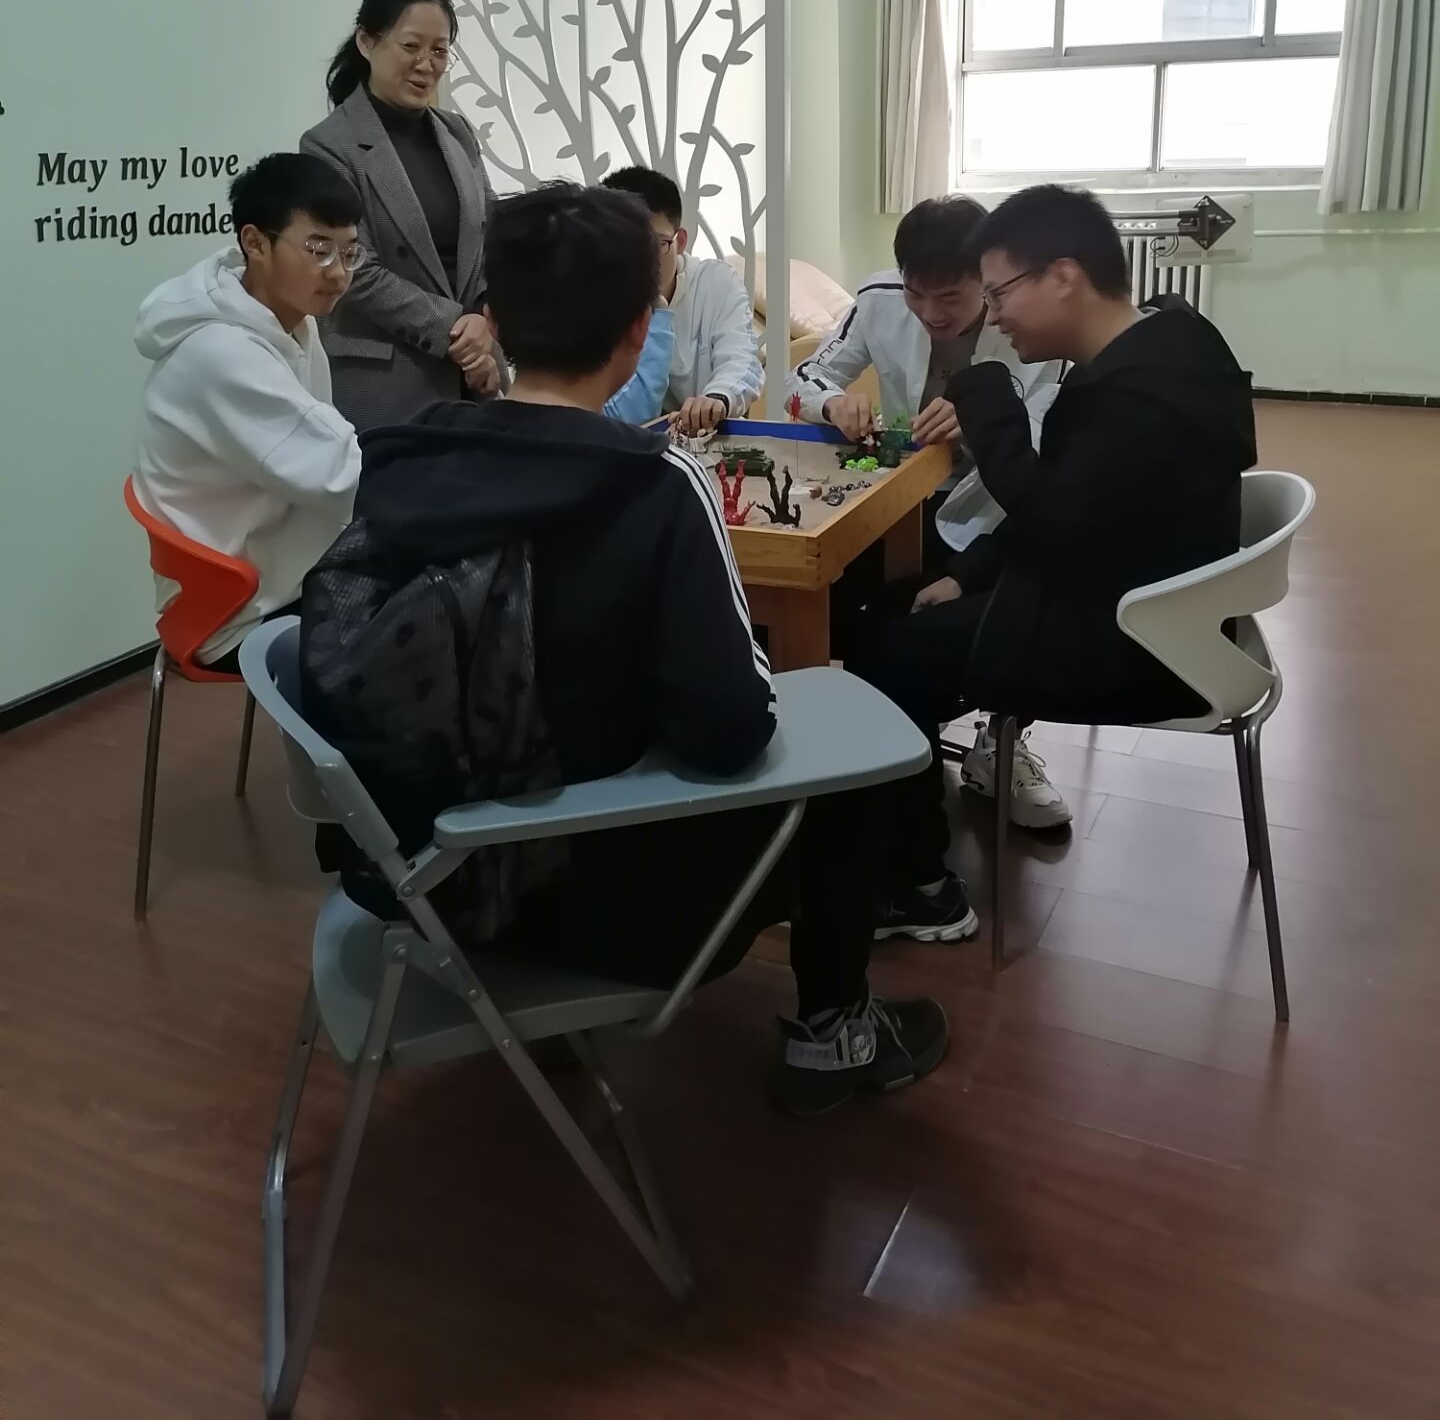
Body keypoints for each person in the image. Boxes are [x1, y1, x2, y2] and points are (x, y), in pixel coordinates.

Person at [302, 182, 947, 1114]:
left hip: (409, 879)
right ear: (642, 333)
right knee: (853, 769)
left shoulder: (401, 456)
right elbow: (730, 734)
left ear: (493, 322)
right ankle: (834, 1035)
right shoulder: (656, 489)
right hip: (585, 899)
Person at [848, 184, 1257, 943]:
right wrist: (969, 574)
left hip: (1140, 644)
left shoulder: (1133, 392)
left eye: (999, 293)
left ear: (1063, 277)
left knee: (883, 653)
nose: (994, 315)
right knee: (896, 603)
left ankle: (918, 887)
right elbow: (1087, 514)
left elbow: (1056, 520)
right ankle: (909, 809)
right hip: (1146, 604)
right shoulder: (1170, 344)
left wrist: (987, 399)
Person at [786, 195, 1070, 831]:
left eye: (951, 297)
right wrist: (833, 404)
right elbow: (800, 382)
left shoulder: (1030, 322)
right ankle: (867, 741)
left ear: (987, 280)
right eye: (918, 295)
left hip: (1001, 506)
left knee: (1000, 601)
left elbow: (1050, 440)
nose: (932, 313)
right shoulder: (880, 299)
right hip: (904, 497)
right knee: (845, 595)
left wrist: (985, 423)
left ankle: (1001, 739)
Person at [133, 153, 363, 670]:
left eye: (350, 253)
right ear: (255, 242)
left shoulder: (291, 320)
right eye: (318, 250)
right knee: (430, 618)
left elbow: (325, 451)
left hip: (276, 556)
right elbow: (339, 477)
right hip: (234, 604)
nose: (338, 273)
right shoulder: (222, 352)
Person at [300, 0, 502, 431]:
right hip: (388, 388)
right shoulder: (328, 145)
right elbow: (353, 269)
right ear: (366, 42)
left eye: (440, 51)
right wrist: (459, 330)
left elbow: (494, 235)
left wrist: (486, 320)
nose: (426, 64)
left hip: (475, 376)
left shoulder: (457, 132)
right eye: (411, 46)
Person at [600, 166, 762, 433]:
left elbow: (742, 360)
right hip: (626, 442)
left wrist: (717, 397)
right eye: (623, 243)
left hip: (707, 440)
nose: (639, 260)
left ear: (681, 241)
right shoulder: (594, 296)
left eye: (656, 244)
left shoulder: (716, 282)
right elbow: (624, 413)